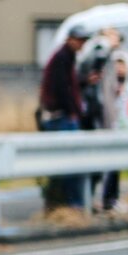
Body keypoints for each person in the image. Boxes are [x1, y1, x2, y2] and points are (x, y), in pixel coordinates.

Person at [38, 24, 89, 208]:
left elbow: (69, 86)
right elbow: (63, 90)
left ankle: (60, 203)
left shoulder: (66, 57)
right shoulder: (62, 58)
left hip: (59, 116)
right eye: (80, 40)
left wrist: (84, 82)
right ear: (70, 39)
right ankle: (73, 205)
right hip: (61, 118)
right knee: (70, 164)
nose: (82, 44)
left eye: (84, 41)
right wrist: (74, 112)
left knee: (62, 165)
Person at [99, 50, 128, 211]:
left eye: (122, 65)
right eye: (116, 66)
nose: (119, 69)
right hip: (113, 133)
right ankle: (110, 199)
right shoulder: (108, 88)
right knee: (113, 169)